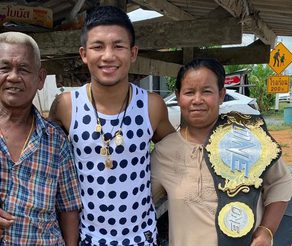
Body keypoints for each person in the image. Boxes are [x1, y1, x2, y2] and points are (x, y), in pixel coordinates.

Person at [49, 5, 175, 246]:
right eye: (98, 46)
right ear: (84, 54)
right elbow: (42, 157)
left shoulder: (152, 106)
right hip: (86, 238)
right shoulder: (66, 106)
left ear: (133, 52)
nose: (108, 56)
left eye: (118, 46)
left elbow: (177, 153)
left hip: (141, 237)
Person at [151, 58, 292, 246]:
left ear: (221, 94)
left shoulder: (248, 140)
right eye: (189, 92)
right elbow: (138, 200)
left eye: (206, 91)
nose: (197, 100)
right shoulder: (164, 151)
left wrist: (266, 230)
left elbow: (280, 183)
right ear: (178, 96)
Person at [0, 32, 81, 245]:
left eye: (24, 69)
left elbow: (69, 208)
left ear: (40, 79)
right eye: (4, 68)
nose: (14, 77)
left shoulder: (56, 141)